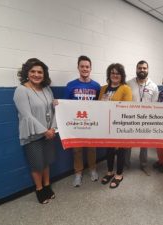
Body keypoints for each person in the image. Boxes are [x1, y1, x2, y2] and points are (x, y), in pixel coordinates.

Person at [13, 58, 56, 204]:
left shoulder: (47, 89)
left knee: (46, 162)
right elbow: (27, 115)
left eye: (40, 72)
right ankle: (39, 189)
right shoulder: (21, 90)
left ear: (44, 74)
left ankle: (47, 185)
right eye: (33, 71)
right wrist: (45, 131)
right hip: (33, 135)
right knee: (37, 164)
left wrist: (53, 128)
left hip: (49, 133)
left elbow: (53, 110)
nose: (36, 75)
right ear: (27, 72)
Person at [64, 55, 101, 187]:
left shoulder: (97, 86)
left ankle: (93, 169)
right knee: (77, 150)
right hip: (77, 124)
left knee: (92, 149)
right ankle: (78, 173)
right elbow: (65, 105)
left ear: (90, 68)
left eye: (87, 67)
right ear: (78, 68)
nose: (85, 69)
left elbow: (100, 105)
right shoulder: (70, 85)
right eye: (82, 66)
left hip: (91, 124)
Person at [99, 63, 132, 188]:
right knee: (109, 149)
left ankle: (119, 174)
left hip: (120, 125)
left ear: (121, 75)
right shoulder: (103, 89)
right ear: (109, 74)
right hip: (106, 125)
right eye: (112, 73)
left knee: (120, 150)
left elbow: (126, 108)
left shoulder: (125, 88)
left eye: (117, 73)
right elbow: (99, 105)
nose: (115, 75)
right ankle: (109, 171)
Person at [125, 60, 159, 175]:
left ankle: (143, 164)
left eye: (144, 68)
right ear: (136, 69)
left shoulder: (153, 86)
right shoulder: (128, 84)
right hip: (130, 118)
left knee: (144, 144)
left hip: (145, 119)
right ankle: (126, 163)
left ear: (147, 70)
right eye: (140, 68)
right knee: (128, 143)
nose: (142, 70)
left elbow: (155, 105)